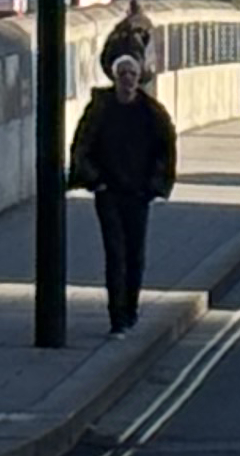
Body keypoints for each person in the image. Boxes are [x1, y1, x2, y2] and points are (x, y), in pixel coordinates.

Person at [69, 50, 180, 332]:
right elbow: (81, 146)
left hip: (137, 194)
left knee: (135, 255)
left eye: (132, 74)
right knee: (115, 254)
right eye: (123, 75)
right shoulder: (101, 109)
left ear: (139, 77)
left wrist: (154, 186)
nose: (128, 80)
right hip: (109, 193)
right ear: (115, 78)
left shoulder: (151, 112)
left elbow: (165, 150)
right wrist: (95, 181)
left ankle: (130, 308)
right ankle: (116, 316)